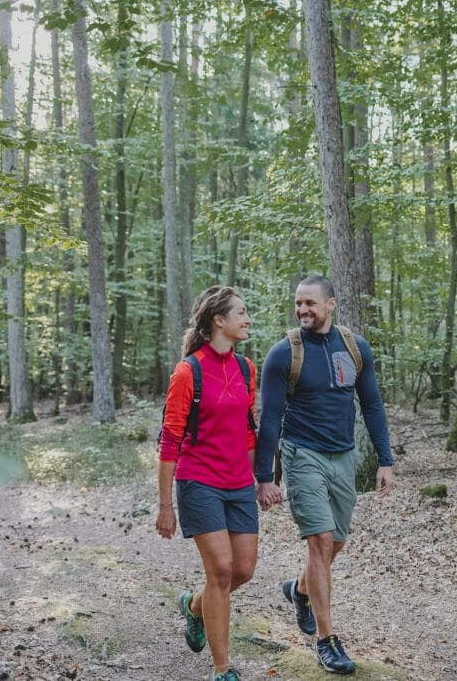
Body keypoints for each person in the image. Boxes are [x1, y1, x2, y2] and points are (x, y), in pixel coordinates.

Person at [254, 275, 395, 675]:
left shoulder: (355, 347)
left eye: (310, 304)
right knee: (319, 541)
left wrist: (386, 461)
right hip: (302, 455)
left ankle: (298, 589)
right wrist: (265, 477)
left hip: (344, 458)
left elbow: (372, 405)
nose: (302, 310)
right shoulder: (283, 354)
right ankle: (327, 641)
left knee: (335, 544)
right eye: (298, 303)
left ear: (331, 304)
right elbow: (270, 420)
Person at [156, 286, 280, 681]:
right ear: (218, 321)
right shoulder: (187, 371)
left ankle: (193, 606)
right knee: (221, 570)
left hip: (239, 484)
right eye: (241, 313)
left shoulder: (246, 368)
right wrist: (165, 505)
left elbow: (247, 431)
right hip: (199, 482)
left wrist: (261, 480)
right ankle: (222, 668)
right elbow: (170, 439)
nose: (248, 319)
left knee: (243, 569)